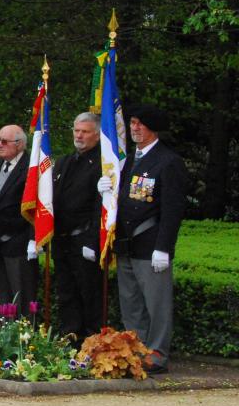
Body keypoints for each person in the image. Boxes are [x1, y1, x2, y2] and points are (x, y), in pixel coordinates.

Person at [106, 104, 188, 374]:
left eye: (141, 124)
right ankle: (136, 348)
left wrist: (164, 247)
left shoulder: (168, 161)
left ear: (153, 128)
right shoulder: (131, 158)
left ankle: (157, 353)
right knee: (131, 302)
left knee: (156, 303)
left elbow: (172, 209)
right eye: (132, 123)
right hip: (128, 243)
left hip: (151, 243)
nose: (135, 129)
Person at [52, 112, 103, 343]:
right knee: (66, 293)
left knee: (88, 293)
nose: (79, 136)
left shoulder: (103, 163)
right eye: (76, 130)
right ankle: (70, 337)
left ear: (97, 135)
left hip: (84, 238)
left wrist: (93, 241)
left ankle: (91, 340)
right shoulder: (65, 161)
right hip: (62, 239)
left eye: (85, 131)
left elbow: (99, 206)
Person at [0, 124, 35, 308]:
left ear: (20, 144)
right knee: (0, 299)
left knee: (21, 298)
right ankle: (1, 334)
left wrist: (33, 239)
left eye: (4, 141)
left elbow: (36, 208)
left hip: (19, 243)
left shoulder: (30, 168)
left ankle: (23, 335)